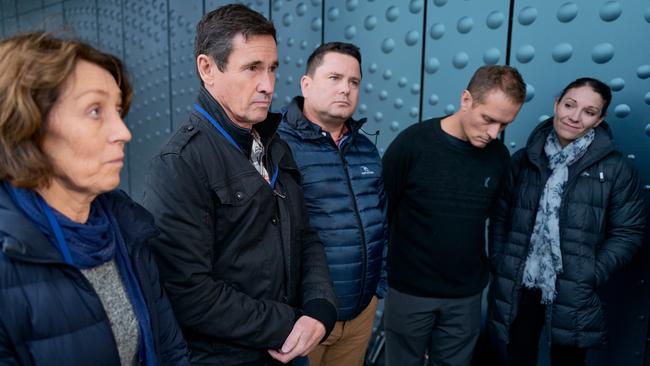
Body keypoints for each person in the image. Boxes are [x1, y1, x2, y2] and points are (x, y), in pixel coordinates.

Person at [142, 4, 337, 365]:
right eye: (251, 69)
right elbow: (188, 292)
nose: (267, 85)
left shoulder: (275, 145)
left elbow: (305, 236)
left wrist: (319, 307)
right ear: (207, 69)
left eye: (272, 69)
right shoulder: (179, 164)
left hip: (292, 346)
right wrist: (289, 321)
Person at [0, 32, 189, 365]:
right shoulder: (8, 259)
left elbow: (169, 348)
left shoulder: (128, 229)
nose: (123, 132)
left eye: (117, 110)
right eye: (94, 111)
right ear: (28, 124)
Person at [488, 77, 645, 366]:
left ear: (600, 120)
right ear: (556, 104)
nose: (574, 117)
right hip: (519, 284)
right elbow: (501, 216)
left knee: (568, 362)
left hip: (574, 286)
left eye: (589, 111)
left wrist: (592, 272)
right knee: (516, 357)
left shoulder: (617, 170)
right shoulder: (524, 160)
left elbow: (629, 231)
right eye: (570, 105)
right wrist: (501, 260)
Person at [382, 65, 526, 366]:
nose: (493, 133)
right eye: (488, 119)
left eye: (503, 125)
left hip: (466, 295)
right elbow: (382, 213)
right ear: (466, 100)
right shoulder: (412, 144)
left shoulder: (499, 157)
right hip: (410, 290)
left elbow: (494, 219)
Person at [277, 42, 387, 366]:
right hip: (303, 318)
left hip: (358, 316)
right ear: (306, 84)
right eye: (335, 77)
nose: (345, 89)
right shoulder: (277, 145)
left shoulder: (366, 150)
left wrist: (377, 289)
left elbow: (382, 218)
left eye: (353, 82)